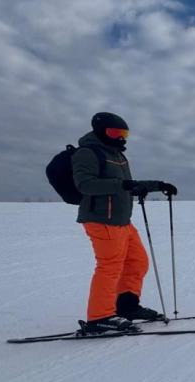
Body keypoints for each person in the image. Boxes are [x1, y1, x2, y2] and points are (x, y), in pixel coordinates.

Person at [73, 112, 177, 333]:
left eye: (124, 133)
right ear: (101, 132)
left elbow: (127, 183)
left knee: (137, 262)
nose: (120, 138)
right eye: (115, 133)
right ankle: (99, 317)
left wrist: (158, 185)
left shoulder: (117, 155)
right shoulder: (87, 153)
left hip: (122, 221)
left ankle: (126, 306)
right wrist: (123, 186)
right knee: (109, 267)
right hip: (102, 220)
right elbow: (86, 185)